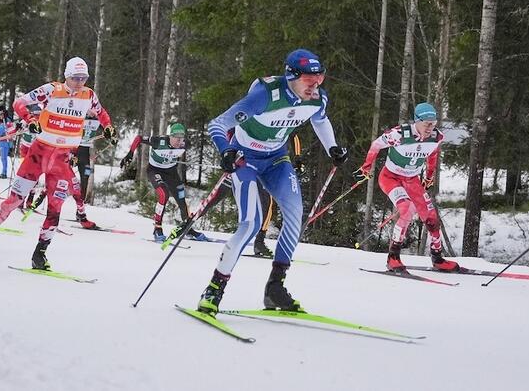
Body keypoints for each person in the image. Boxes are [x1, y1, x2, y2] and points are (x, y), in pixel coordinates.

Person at [196, 49, 348, 314]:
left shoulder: (316, 99)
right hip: (246, 158)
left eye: (319, 78)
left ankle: (275, 288)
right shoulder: (265, 95)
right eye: (309, 80)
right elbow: (217, 124)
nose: (315, 86)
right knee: (250, 224)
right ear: (291, 76)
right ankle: (214, 289)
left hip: (277, 159)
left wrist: (332, 147)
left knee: (294, 215)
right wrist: (226, 150)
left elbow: (320, 121)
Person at [0, 57, 116, 269]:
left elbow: (101, 113)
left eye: (83, 78)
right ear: (67, 76)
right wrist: (31, 120)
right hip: (39, 154)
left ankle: (40, 254)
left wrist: (108, 126)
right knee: (15, 199)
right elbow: (19, 104)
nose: (79, 82)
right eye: (75, 78)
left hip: (62, 160)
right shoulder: (52, 90)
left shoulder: (89, 95)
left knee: (55, 208)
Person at [356, 102, 457, 273]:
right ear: (416, 121)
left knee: (431, 217)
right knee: (406, 209)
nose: (430, 128)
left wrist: (429, 176)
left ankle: (437, 258)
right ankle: (393, 257)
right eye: (426, 124)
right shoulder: (399, 134)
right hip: (390, 178)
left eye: (433, 124)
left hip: (412, 180)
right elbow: (376, 145)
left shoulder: (436, 137)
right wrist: (366, 166)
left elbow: (432, 154)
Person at [120, 122, 209, 242]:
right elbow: (139, 138)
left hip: (171, 173)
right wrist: (130, 154)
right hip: (155, 170)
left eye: (181, 139)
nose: (179, 142)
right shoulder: (158, 141)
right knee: (163, 194)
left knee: (182, 198)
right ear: (170, 136)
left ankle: (188, 228)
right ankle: (157, 229)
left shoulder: (185, 144)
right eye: (176, 139)